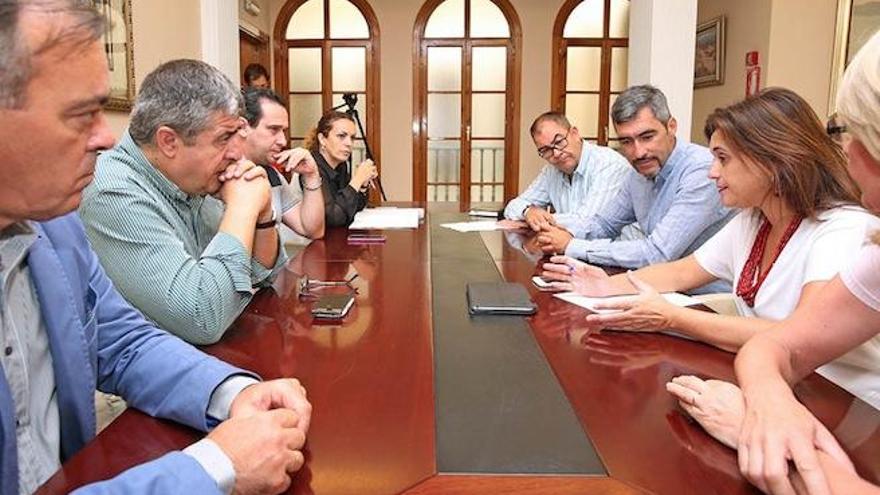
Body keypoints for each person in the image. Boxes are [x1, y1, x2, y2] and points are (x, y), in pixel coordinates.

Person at [0, 1, 310, 493]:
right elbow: (199, 315)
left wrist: (232, 392)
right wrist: (214, 468)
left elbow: (122, 341)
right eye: (82, 114)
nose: (106, 136)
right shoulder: (102, 190)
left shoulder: (52, 223)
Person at [668, 31, 880, 495]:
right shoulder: (875, 254)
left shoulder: (844, 228)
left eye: (851, 133)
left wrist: (751, 426)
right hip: (818, 404)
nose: (844, 151)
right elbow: (776, 345)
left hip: (853, 418)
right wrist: (769, 403)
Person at [542, 88, 879, 355]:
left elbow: (802, 337)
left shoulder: (839, 229)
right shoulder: (753, 220)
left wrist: (673, 318)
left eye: (722, 159)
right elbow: (679, 271)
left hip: (845, 403)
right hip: (775, 374)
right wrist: (605, 286)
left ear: (773, 161)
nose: (712, 171)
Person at [80, 59, 285, 345]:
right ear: (168, 142)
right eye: (224, 138)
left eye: (237, 134)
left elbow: (264, 275)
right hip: (151, 379)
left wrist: (262, 215)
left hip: (219, 357)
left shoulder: (194, 177)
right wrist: (242, 208)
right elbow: (202, 319)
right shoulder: (112, 192)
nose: (238, 153)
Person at [535, 85, 733, 273]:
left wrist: (572, 245)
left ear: (671, 127)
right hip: (656, 286)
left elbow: (657, 253)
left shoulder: (701, 171)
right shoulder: (638, 174)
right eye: (626, 141)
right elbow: (604, 225)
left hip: (704, 299)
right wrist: (550, 229)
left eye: (647, 137)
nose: (638, 152)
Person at [503, 111, 635, 238]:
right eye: (546, 150)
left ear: (575, 133)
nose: (556, 153)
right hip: (574, 253)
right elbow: (514, 206)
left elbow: (588, 222)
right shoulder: (551, 170)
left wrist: (535, 220)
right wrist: (527, 211)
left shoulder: (608, 164)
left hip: (617, 255)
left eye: (559, 142)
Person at [242, 87, 325, 241]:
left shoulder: (271, 174)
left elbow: (312, 229)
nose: (283, 141)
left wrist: (312, 175)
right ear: (244, 127)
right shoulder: (218, 180)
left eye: (283, 131)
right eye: (273, 129)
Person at [304, 110, 378, 227]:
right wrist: (357, 179)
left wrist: (362, 185)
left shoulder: (341, 165)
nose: (349, 143)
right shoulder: (311, 167)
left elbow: (351, 208)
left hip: (331, 238)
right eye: (341, 136)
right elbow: (332, 218)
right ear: (322, 139)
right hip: (304, 243)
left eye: (352, 138)